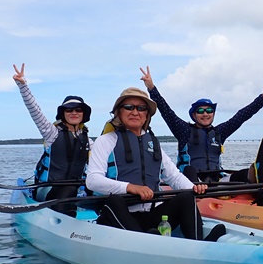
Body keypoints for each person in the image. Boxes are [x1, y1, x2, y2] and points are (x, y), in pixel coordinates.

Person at [86, 87, 225, 241]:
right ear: (119, 112)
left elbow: (174, 176)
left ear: (147, 115)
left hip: (152, 212)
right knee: (114, 200)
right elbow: (92, 181)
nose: (135, 112)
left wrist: (194, 188)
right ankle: (146, 241)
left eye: (141, 108)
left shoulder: (154, 143)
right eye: (128, 107)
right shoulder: (105, 141)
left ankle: (198, 244)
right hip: (121, 214)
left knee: (186, 197)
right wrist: (130, 187)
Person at [139, 66, 263, 183]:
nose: (205, 114)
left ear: (213, 114)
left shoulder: (220, 132)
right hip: (190, 180)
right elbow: (166, 110)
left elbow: (241, 116)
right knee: (189, 169)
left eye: (209, 110)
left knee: (248, 172)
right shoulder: (184, 130)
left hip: (217, 180)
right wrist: (151, 88)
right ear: (194, 115)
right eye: (200, 111)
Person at [12, 64, 93, 214]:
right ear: (63, 113)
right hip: (47, 189)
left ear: (83, 113)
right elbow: (34, 111)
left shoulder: (88, 140)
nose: (74, 113)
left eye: (78, 109)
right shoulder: (51, 133)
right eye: (69, 110)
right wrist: (23, 86)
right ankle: (67, 221)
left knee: (91, 187)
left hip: (75, 189)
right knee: (68, 189)